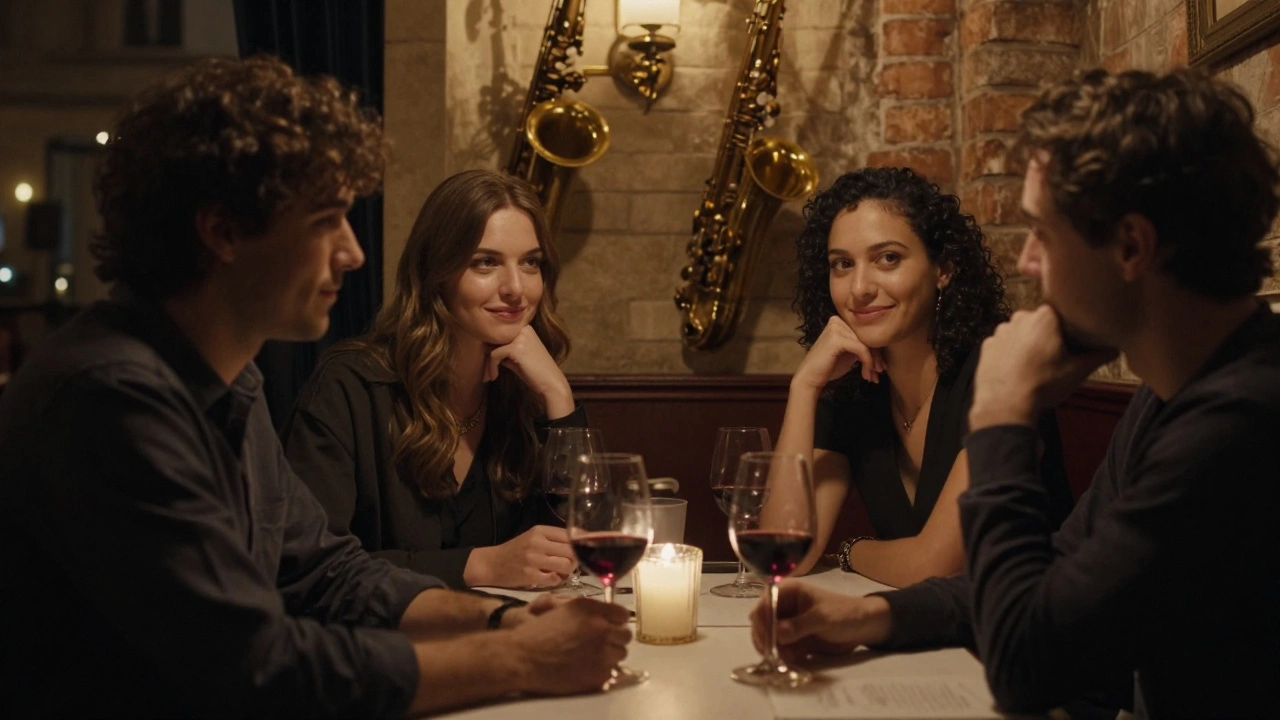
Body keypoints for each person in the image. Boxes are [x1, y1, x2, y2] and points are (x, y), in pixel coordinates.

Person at [0, 56, 630, 718]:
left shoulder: (223, 378)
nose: (353, 253)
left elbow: (328, 572)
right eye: (326, 218)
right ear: (223, 232)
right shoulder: (110, 398)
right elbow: (253, 671)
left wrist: (502, 625)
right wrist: (524, 660)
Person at [751, 68, 1280, 719]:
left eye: (1044, 234)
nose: (1028, 261)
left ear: (1131, 246)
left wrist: (1003, 412)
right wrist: (870, 618)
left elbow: (1033, 664)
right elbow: (1054, 579)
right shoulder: (1173, 398)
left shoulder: (1245, 422)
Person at [281, 169, 583, 590]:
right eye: (486, 262)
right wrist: (480, 566)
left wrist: (558, 396)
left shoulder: (528, 390)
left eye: (530, 263)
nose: (516, 288)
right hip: (380, 649)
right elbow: (306, 565)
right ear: (436, 271)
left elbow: (586, 544)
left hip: (507, 641)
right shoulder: (351, 387)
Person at [779, 167, 1073, 588]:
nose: (859, 287)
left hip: (1033, 630)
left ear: (943, 269)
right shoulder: (850, 386)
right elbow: (786, 552)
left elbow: (936, 565)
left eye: (888, 258)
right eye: (842, 264)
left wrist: (851, 550)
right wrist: (804, 387)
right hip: (931, 634)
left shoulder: (998, 370)